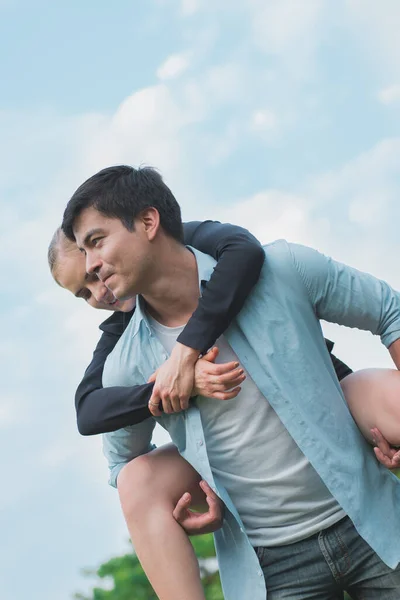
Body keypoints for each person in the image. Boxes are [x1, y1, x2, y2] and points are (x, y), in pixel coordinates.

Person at [61, 165, 400, 600]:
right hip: (271, 570)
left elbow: (389, 310)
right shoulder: (124, 363)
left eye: (97, 242)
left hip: (375, 519)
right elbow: (122, 467)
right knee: (137, 481)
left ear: (148, 222)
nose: (92, 267)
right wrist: (194, 493)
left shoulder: (282, 268)